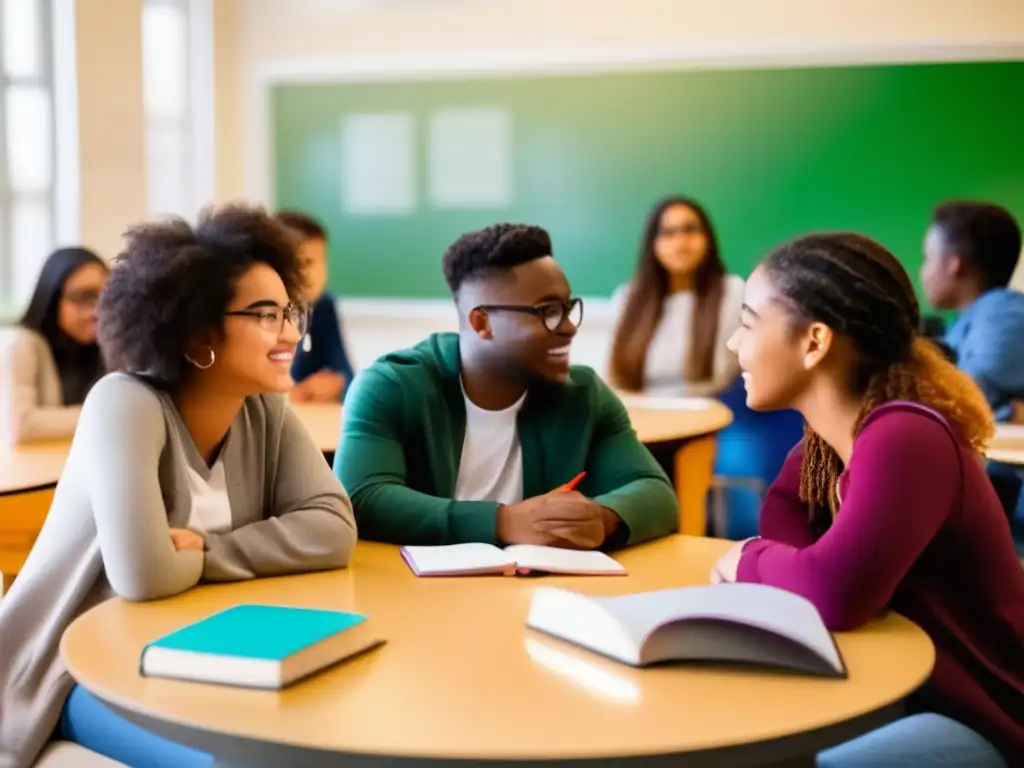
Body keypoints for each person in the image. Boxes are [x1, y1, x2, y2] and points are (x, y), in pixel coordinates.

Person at [0, 205, 358, 768]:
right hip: (69, 673)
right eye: (266, 315)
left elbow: (334, 530)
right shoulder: (124, 403)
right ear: (197, 333)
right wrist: (200, 556)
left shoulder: (263, 406)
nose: (290, 332)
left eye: (290, 311)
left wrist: (205, 550)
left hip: (194, 653)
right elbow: (143, 576)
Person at [710, 232, 1023, 765]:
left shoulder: (905, 436)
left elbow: (831, 591)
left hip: (984, 719)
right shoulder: (825, 446)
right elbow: (790, 550)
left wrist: (746, 557)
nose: (734, 345)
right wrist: (781, 561)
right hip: (904, 693)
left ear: (814, 342)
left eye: (747, 324)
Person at [336, 223, 677, 549]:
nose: (569, 328)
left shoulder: (583, 394)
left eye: (569, 308)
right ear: (482, 323)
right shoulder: (391, 386)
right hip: (416, 593)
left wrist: (603, 518)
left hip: (537, 594)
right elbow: (361, 496)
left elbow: (656, 492)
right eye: (549, 311)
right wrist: (504, 522)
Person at [920, 201, 1024, 520]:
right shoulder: (970, 321)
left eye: (928, 258)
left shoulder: (1004, 313)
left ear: (954, 263)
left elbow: (961, 398)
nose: (923, 272)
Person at [608, 197, 744, 397]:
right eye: (668, 233)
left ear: (708, 238)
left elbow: (731, 375)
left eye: (690, 230)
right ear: (652, 244)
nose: (680, 243)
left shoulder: (732, 291)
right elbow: (614, 379)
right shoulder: (626, 297)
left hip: (712, 413)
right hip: (642, 416)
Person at [0, 247, 109, 445]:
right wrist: (106, 413)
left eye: (106, 298)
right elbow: (21, 426)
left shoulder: (101, 345)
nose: (96, 311)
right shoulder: (20, 341)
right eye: (85, 297)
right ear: (52, 296)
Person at [274, 210, 354, 402]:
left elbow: (347, 376)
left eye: (321, 261)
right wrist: (288, 394)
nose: (317, 274)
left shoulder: (323, 307)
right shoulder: (259, 314)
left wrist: (337, 382)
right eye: (305, 263)